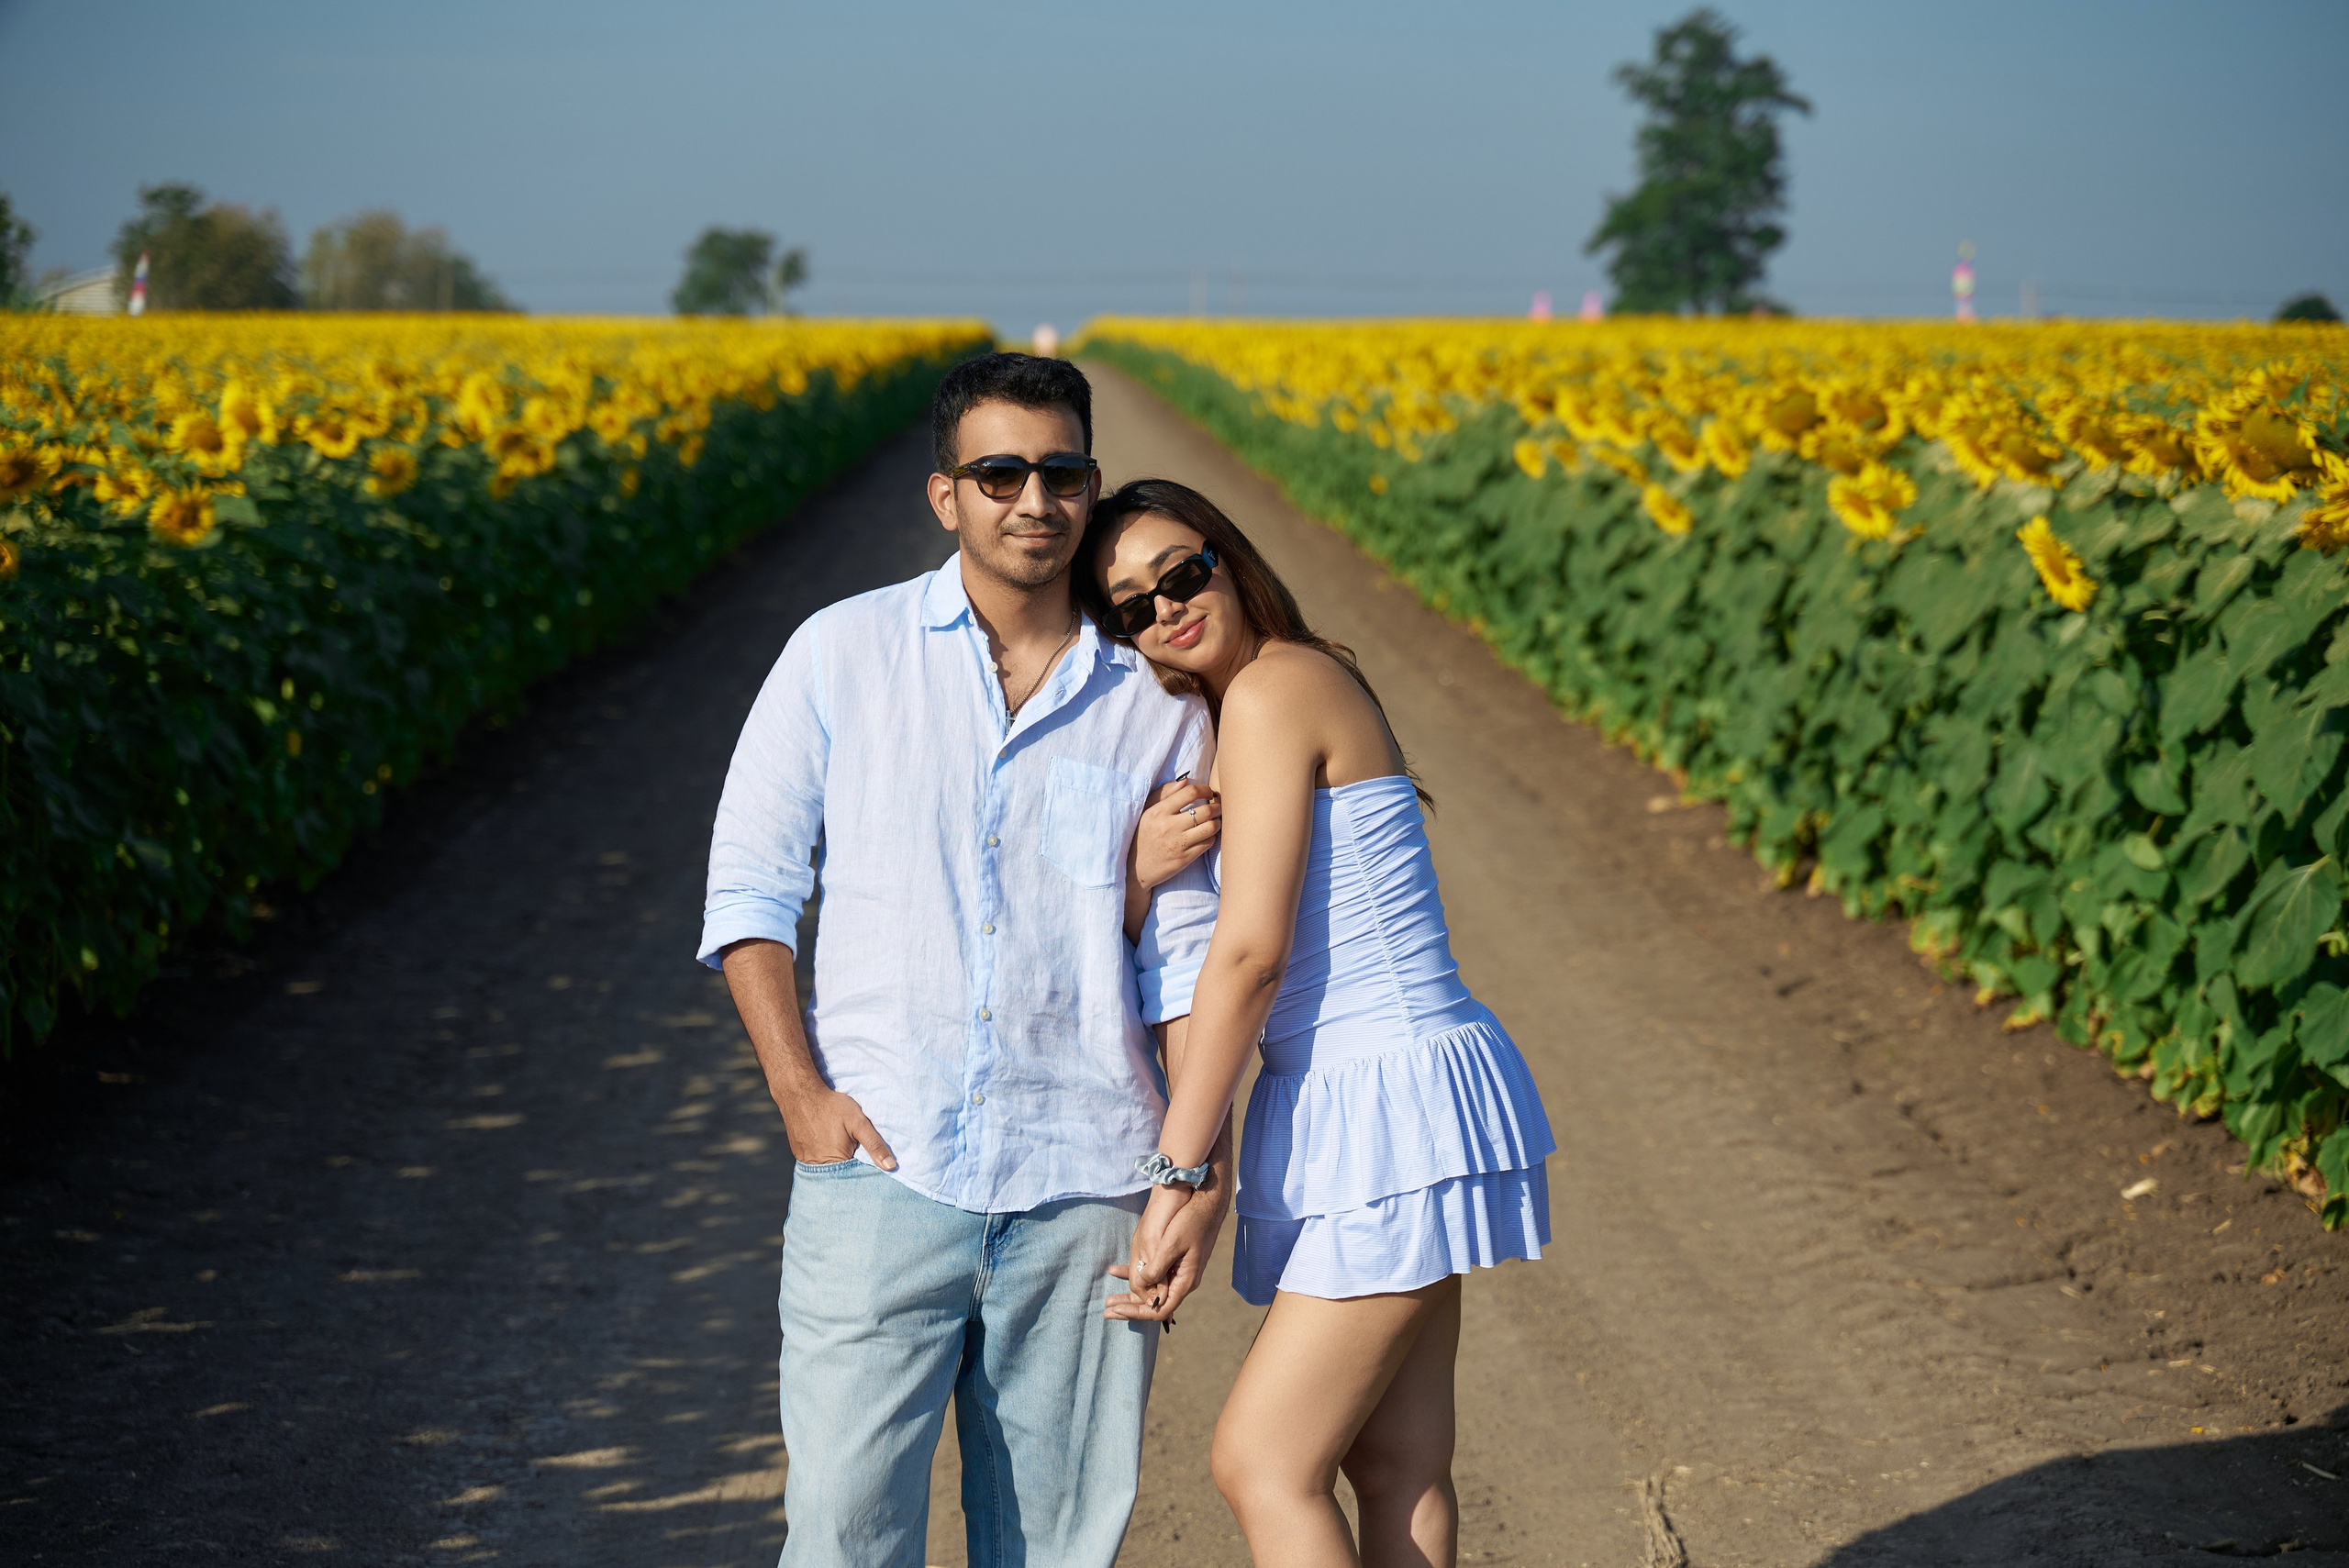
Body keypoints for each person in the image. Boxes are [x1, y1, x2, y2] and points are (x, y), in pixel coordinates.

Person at [698, 355, 1233, 1568]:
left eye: (1060, 473)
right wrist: (801, 1099)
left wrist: (1199, 1169)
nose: (1032, 500)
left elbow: (1191, 961)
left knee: (1055, 1550)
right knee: (842, 1538)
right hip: (882, 1170)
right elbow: (752, 886)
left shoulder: (1155, 699)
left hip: (1088, 1185)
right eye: (1000, 473)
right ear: (948, 495)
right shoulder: (844, 652)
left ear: (1092, 488)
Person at [1082, 478, 1555, 1567]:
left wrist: (1180, 1169)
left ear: (1225, 554)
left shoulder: (1270, 690)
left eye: (1183, 573)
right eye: (1132, 606)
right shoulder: (1275, 688)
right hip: (1395, 1090)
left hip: (1383, 1090)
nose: (1168, 610)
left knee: (1261, 1461)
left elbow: (1250, 956)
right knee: (1394, 1463)